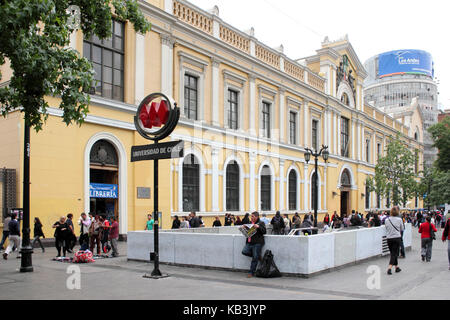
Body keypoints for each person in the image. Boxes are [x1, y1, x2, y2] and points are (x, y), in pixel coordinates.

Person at [241, 211, 266, 278]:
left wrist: (258, 227)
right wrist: (244, 228)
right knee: (244, 251)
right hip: (249, 242)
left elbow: (264, 231)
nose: (251, 218)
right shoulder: (249, 223)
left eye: (253, 216)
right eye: (251, 216)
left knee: (255, 258)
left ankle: (251, 272)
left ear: (257, 217)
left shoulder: (261, 223)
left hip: (257, 242)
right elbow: (248, 233)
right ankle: (257, 256)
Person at [385, 206, 404, 275]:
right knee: (394, 253)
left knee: (393, 252)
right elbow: (402, 229)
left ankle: (396, 267)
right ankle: (389, 268)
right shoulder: (399, 220)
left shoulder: (387, 220)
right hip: (396, 238)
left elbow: (386, 228)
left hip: (389, 238)